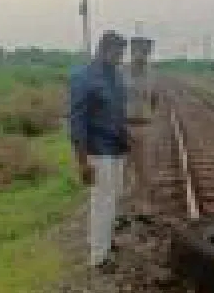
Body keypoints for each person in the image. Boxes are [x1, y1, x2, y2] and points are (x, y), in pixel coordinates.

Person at [69, 31, 129, 270]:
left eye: (121, 53)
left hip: (117, 148)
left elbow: (118, 112)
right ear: (103, 50)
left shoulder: (115, 76)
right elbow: (77, 122)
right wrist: (82, 162)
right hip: (97, 150)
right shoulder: (83, 78)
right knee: (101, 201)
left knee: (113, 198)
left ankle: (104, 241)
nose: (120, 58)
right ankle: (98, 258)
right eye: (117, 53)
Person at [123, 36, 161, 221]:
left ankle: (143, 208)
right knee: (122, 169)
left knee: (145, 170)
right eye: (138, 49)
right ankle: (121, 211)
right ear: (132, 50)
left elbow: (155, 100)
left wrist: (149, 118)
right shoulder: (120, 72)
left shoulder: (153, 74)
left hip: (145, 126)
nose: (142, 54)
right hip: (123, 125)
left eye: (146, 50)